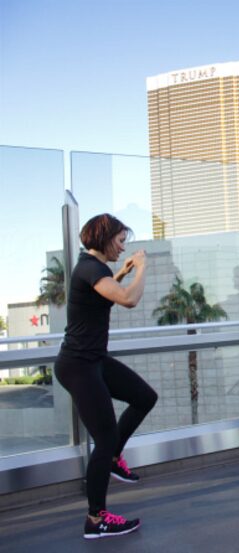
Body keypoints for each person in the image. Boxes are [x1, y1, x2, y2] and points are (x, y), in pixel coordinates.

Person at [54, 213, 158, 539]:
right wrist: (141, 268)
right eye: (120, 241)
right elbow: (127, 298)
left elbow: (108, 285)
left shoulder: (95, 269)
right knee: (106, 435)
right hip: (78, 365)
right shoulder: (88, 267)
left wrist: (123, 270)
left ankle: (112, 458)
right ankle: (96, 518)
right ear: (104, 238)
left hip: (94, 360)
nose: (123, 246)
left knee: (144, 397)